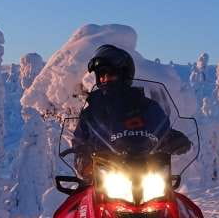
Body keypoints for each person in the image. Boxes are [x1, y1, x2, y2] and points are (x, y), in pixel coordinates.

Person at [70, 45, 191, 180]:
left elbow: (161, 130)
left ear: (124, 73)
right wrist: (82, 157)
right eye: (101, 75)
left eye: (110, 74)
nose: (105, 79)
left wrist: (173, 138)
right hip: (105, 178)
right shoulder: (91, 111)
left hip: (147, 175)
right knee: (78, 199)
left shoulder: (147, 106)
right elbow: (79, 141)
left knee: (179, 201)